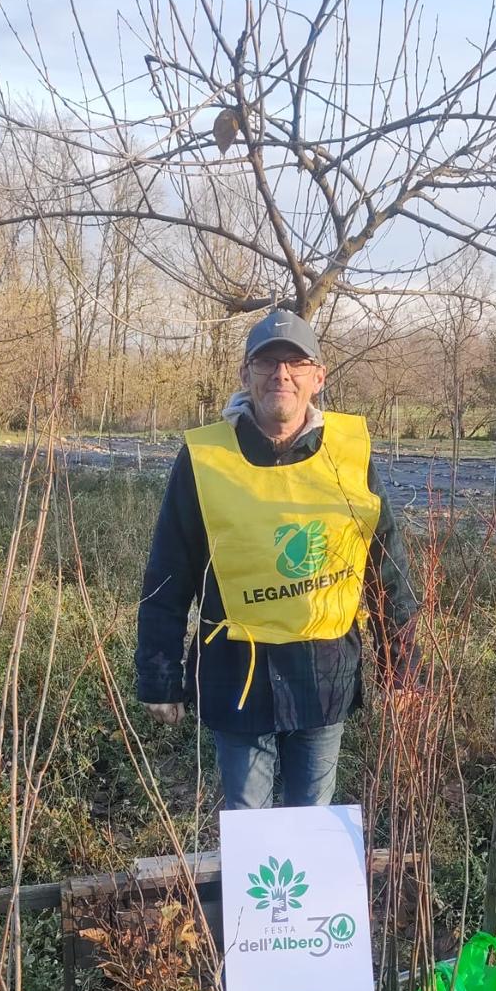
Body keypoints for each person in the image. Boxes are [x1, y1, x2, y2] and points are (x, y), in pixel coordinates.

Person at [136, 308, 418, 809]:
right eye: (267, 362)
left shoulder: (349, 456)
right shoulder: (206, 459)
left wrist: (403, 666)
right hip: (237, 679)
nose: (281, 374)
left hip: (324, 677)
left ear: (318, 377)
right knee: (250, 826)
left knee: (312, 822)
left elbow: (385, 564)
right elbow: (168, 573)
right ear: (245, 374)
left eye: (296, 363)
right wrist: (160, 676)